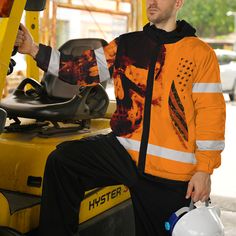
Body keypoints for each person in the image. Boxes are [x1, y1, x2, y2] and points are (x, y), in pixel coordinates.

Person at [15, 0, 226, 235]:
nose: (152, 2)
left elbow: (211, 114)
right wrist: (34, 49)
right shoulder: (127, 45)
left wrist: (204, 170)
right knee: (62, 162)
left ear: (178, 3)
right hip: (123, 153)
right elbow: (79, 69)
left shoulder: (200, 54)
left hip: (170, 175)